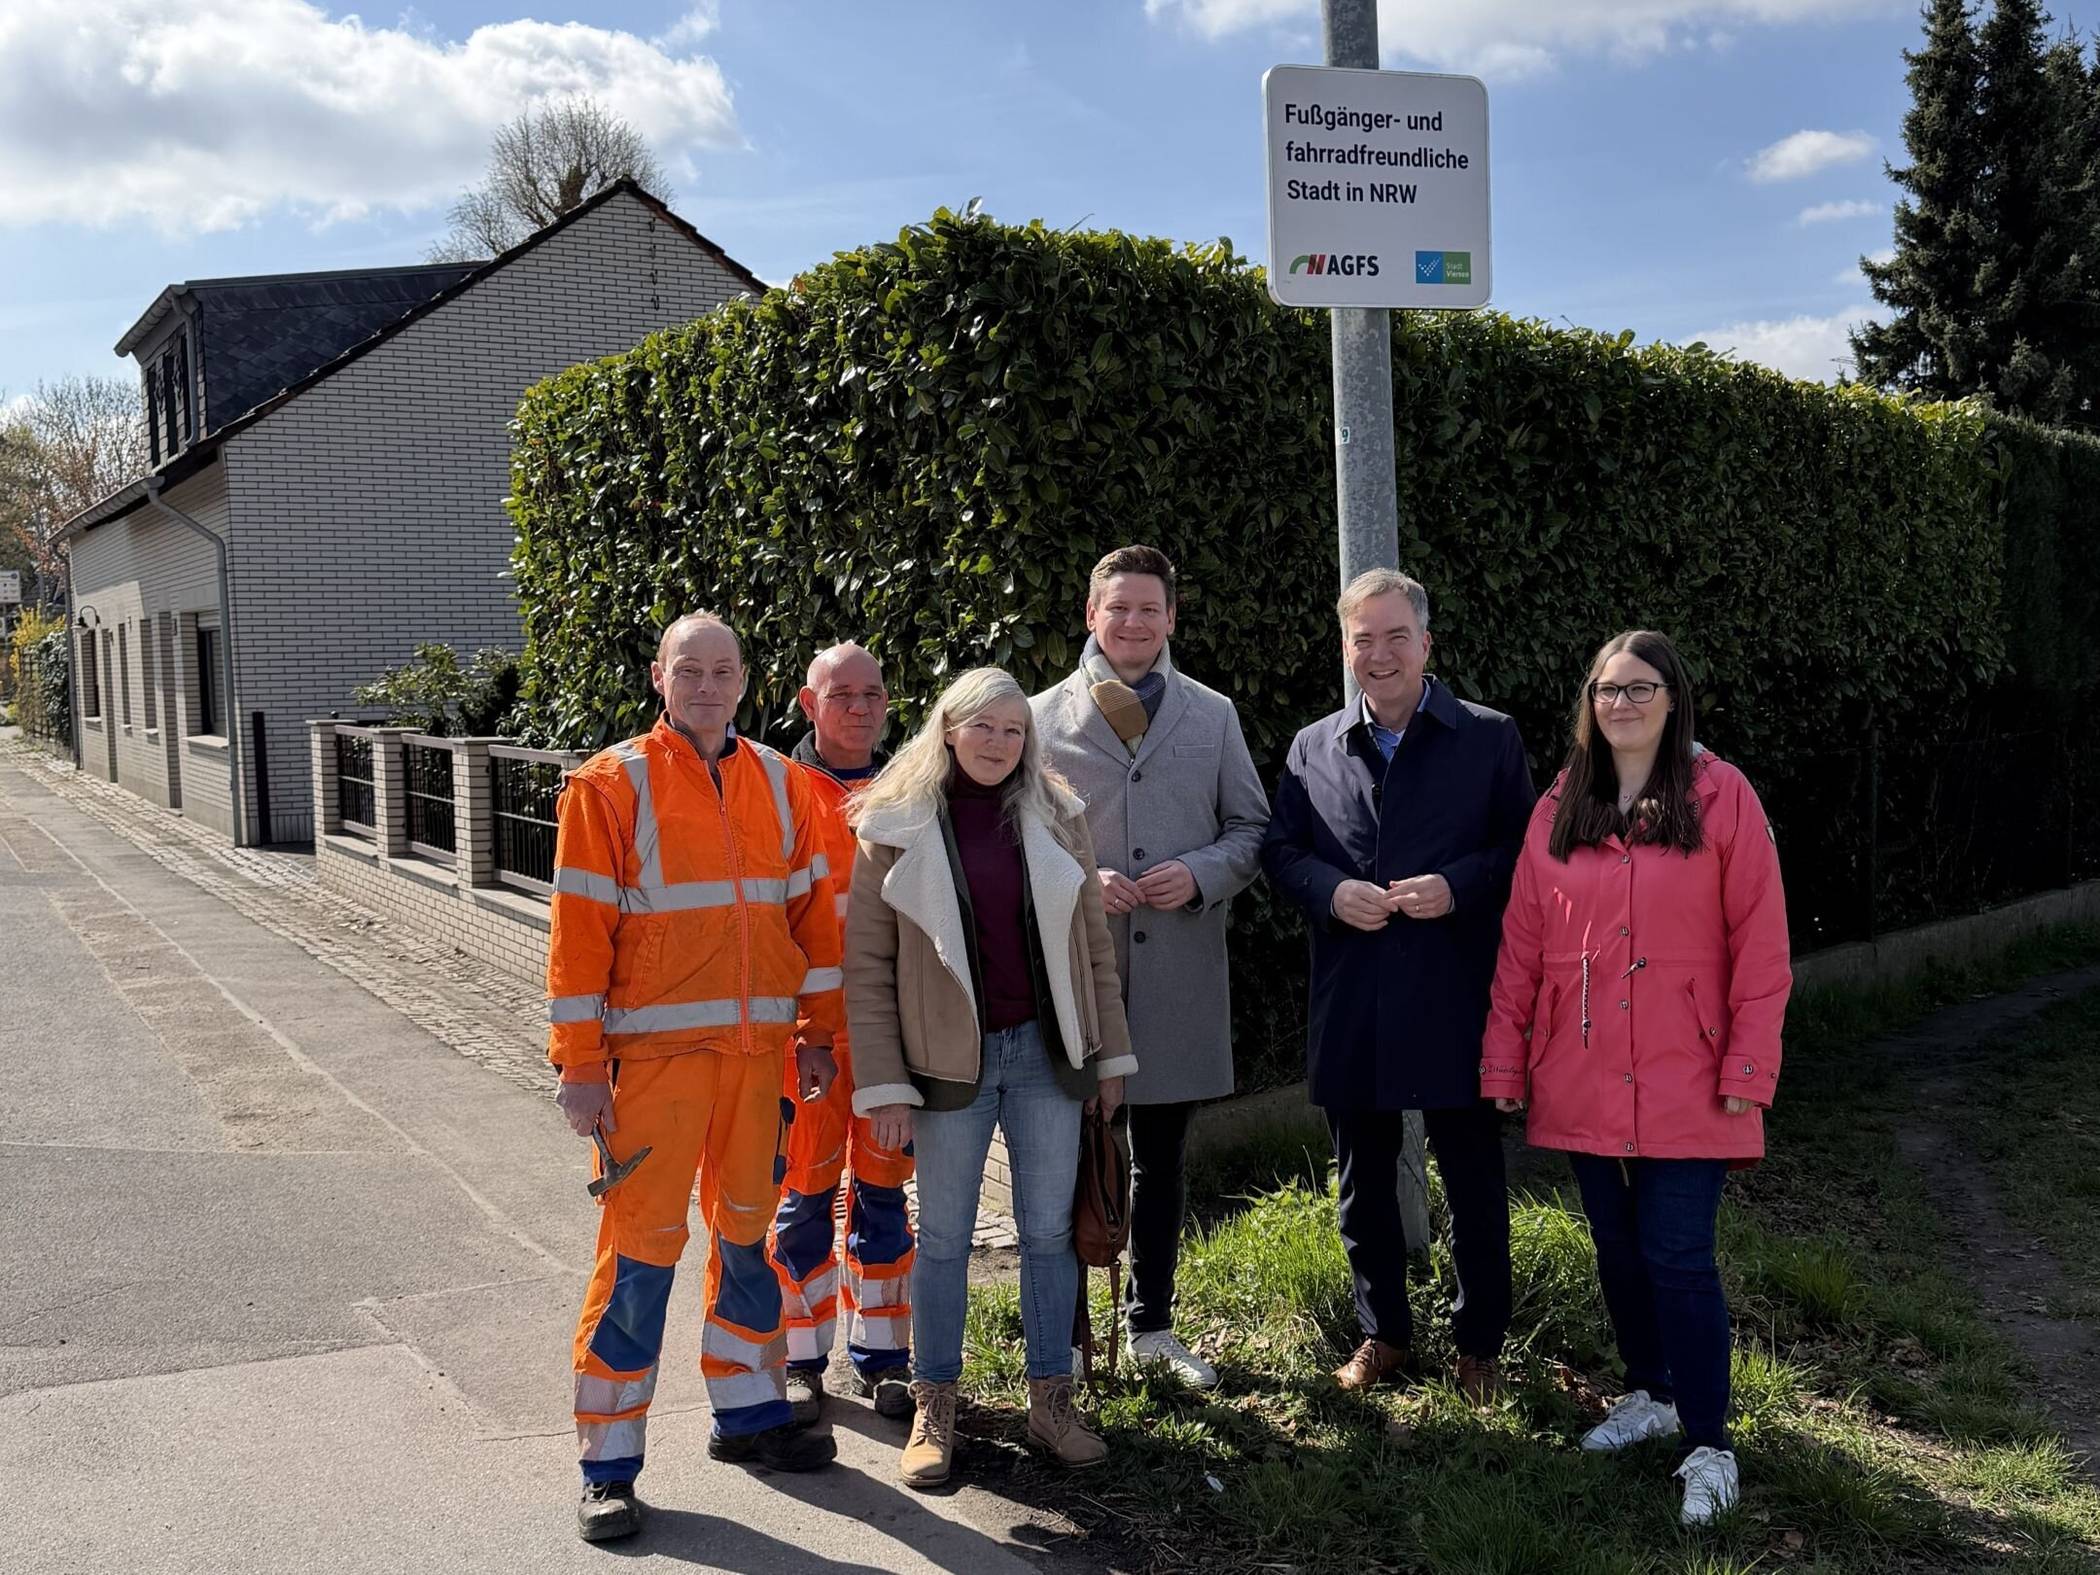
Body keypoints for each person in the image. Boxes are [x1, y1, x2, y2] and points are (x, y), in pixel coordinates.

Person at [1480, 629, 1790, 1527]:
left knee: (1678, 1252)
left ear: (1673, 696)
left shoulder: (1721, 795)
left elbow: (1763, 946)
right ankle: (1650, 1392)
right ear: (1590, 700)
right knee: (1615, 1245)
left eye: (1640, 687)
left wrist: (1748, 1064)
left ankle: (1709, 1440)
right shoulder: (1559, 804)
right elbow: (1523, 947)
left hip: (1691, 1072)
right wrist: (1505, 1059)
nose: (1621, 703)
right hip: (1578, 1071)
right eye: (1607, 689)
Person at [548, 611, 845, 1544]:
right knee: (640, 1257)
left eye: (723, 671)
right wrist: (581, 1068)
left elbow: (814, 925)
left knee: (749, 1245)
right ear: (659, 678)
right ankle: (608, 1464)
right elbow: (578, 941)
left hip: (759, 1066)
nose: (708, 686)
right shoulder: (609, 785)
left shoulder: (781, 783)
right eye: (691, 671)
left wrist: (819, 1034)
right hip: (654, 1074)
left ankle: (749, 1415)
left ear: (746, 681)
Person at [843, 667, 1137, 1488]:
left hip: (1047, 1056)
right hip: (944, 1068)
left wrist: (1108, 1057)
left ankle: (1051, 1400)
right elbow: (865, 968)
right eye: (983, 728)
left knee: (1047, 1235)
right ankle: (936, 1405)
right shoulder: (892, 823)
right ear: (947, 728)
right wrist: (887, 1085)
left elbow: (1092, 947)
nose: (999, 744)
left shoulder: (1056, 813)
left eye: (1014, 731)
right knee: (942, 1240)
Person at [1261, 568, 1534, 1402]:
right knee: (1361, 1184)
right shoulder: (1314, 743)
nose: (1378, 655)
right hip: (1356, 997)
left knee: (1474, 1180)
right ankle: (1384, 1334)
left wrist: (1457, 885)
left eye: (1394, 636)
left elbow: (1524, 851)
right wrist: (1328, 891)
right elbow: (1280, 849)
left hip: (1456, 995)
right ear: (1346, 649)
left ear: (1426, 644)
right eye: (1361, 639)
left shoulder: (1489, 736)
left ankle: (1479, 1342)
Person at [1031, 545, 1269, 1388]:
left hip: (1175, 977)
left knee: (1160, 1158)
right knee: (1062, 1154)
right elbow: (1009, 841)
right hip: (1075, 980)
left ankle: (1152, 1326)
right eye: (1117, 607)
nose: (1133, 623)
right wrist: (1076, 877)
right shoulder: (1034, 717)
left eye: (1149, 609)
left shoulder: (1213, 714)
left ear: (1172, 618)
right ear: (1090, 615)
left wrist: (1201, 871)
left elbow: (1251, 827)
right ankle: (1057, 1335)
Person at [769, 643, 915, 1424]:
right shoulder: (781, 789)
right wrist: (802, 1029)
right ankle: (799, 1358)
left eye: (873, 694)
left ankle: (885, 1358)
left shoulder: (912, 787)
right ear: (808, 701)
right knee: (804, 1200)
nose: (860, 708)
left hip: (891, 1037)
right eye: (842, 694)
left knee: (884, 1200)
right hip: (810, 1043)